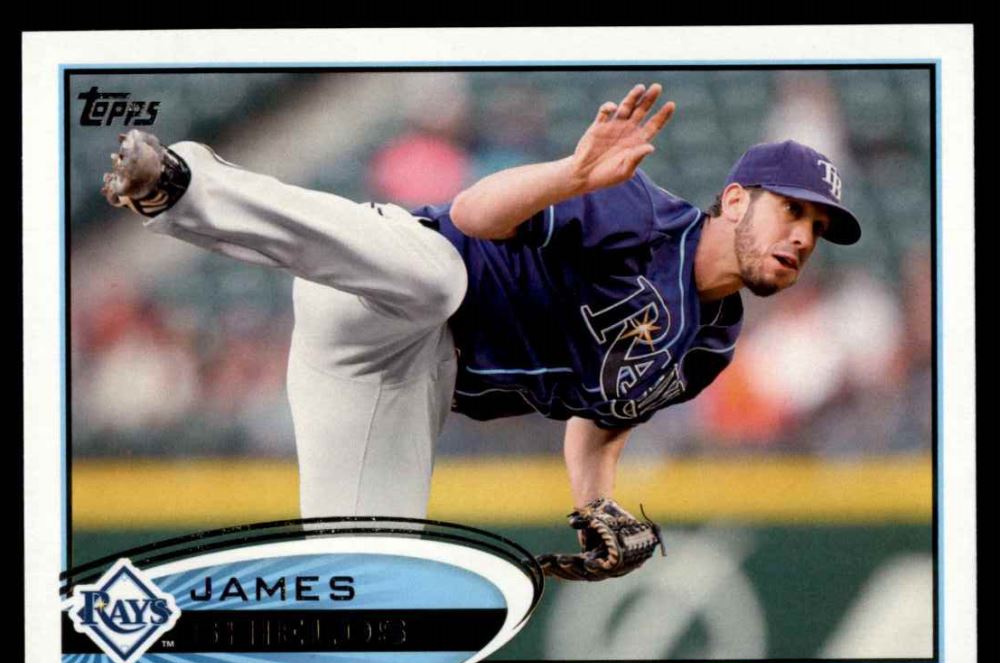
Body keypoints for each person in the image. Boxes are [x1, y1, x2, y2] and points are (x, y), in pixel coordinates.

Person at [101, 83, 860, 579]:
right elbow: (472, 214)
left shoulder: (710, 344)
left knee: (365, 578)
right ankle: (185, 184)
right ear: (737, 199)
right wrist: (571, 177)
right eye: (791, 210)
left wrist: (596, 502)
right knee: (439, 281)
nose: (802, 236)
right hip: (387, 278)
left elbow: (605, 416)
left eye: (818, 228)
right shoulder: (645, 217)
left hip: (402, 382)